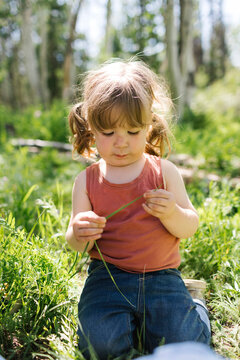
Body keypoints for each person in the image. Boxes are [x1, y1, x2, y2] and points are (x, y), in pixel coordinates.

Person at [66, 59, 211, 360]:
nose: (121, 144)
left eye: (133, 132)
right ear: (92, 128)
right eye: (108, 133)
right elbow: (77, 244)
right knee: (99, 345)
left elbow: (189, 225)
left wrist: (171, 213)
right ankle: (129, 326)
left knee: (183, 342)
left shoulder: (163, 172)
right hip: (108, 278)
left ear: (149, 125)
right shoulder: (87, 180)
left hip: (161, 276)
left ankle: (195, 307)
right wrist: (81, 231)